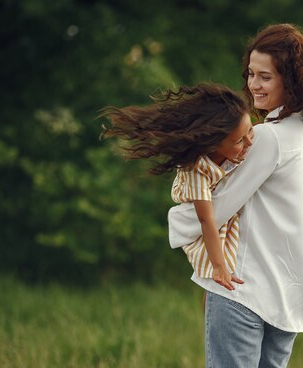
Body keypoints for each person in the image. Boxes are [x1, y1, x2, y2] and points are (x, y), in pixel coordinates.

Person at [168, 23, 303, 368]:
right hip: (287, 294)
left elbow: (219, 203)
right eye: (250, 73)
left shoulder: (268, 138)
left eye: (265, 76)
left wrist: (177, 220)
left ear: (291, 81)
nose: (254, 85)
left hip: (244, 290)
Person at [101, 83, 254, 290]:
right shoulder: (196, 170)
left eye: (250, 132)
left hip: (220, 209)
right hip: (201, 222)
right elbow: (206, 219)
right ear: (214, 144)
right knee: (218, 274)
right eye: (239, 141)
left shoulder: (240, 147)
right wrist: (218, 266)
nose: (249, 143)